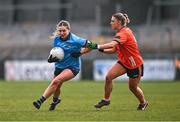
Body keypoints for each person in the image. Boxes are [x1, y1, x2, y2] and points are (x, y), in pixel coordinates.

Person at [88, 12, 148, 110]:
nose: (110, 23)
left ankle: (143, 103)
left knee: (132, 88)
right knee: (109, 77)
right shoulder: (122, 32)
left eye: (112, 21)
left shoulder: (124, 33)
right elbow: (113, 50)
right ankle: (106, 100)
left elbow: (112, 44)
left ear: (119, 22)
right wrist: (100, 49)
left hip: (134, 64)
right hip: (124, 62)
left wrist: (96, 46)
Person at [33, 20, 93, 111]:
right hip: (59, 66)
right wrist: (51, 58)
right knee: (56, 86)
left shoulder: (76, 39)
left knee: (56, 81)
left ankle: (40, 101)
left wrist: (81, 52)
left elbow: (91, 46)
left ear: (69, 30)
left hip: (72, 67)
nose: (61, 33)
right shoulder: (56, 39)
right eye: (60, 31)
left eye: (64, 30)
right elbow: (57, 52)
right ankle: (55, 101)